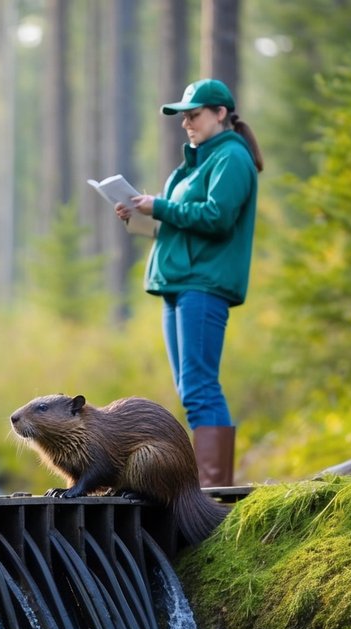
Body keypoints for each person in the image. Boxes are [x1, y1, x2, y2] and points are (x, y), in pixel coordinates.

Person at [115, 79, 263, 487]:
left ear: (220, 113)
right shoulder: (196, 163)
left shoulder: (231, 158)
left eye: (193, 115)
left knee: (200, 388)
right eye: (183, 117)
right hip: (180, 282)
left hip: (204, 283)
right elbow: (179, 226)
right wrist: (141, 218)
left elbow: (217, 217)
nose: (186, 124)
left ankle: (215, 489)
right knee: (190, 388)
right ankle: (209, 483)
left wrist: (160, 205)